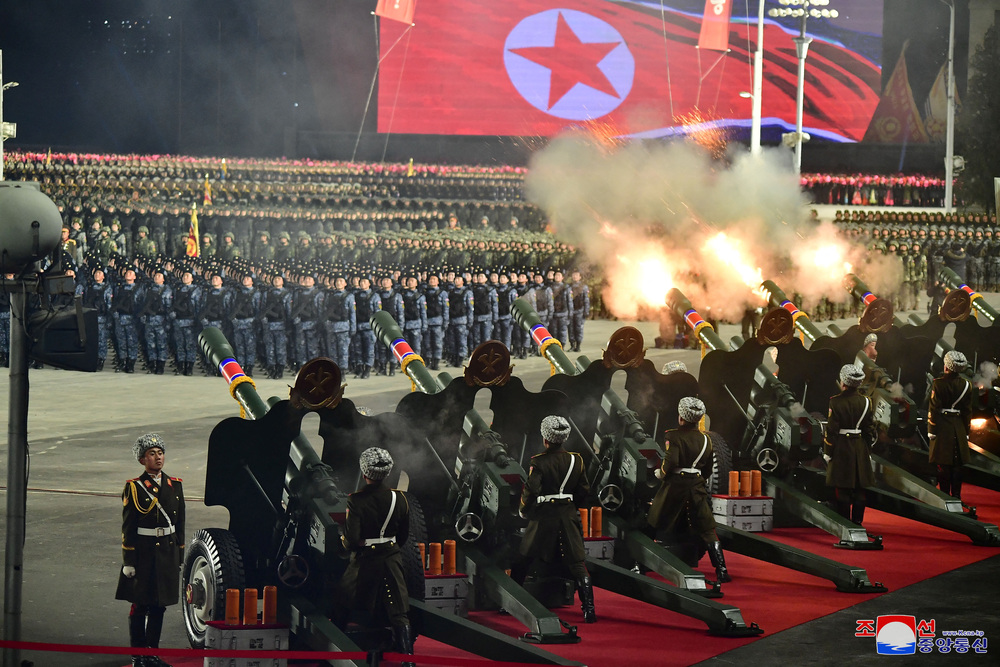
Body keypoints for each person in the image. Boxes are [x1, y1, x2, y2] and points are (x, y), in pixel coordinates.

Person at [511, 416, 596, 623]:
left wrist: (524, 510)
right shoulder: (577, 459)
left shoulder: (539, 461)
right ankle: (589, 609)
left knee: (523, 559)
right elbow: (584, 490)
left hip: (544, 517)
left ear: (546, 439)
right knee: (578, 564)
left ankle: (512, 603)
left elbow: (531, 489)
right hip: (567, 514)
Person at [115, 433, 185, 667]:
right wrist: (128, 561)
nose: (158, 458)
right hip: (143, 555)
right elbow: (128, 527)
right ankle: (138, 654)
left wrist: (179, 555)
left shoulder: (175, 485)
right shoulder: (134, 487)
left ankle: (151, 653)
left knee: (159, 605)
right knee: (140, 604)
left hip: (167, 552)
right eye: (152, 454)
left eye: (160, 453)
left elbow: (180, 524)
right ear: (142, 460)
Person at [340, 447, 414, 666]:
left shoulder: (356, 500)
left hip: (365, 561)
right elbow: (403, 536)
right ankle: (408, 659)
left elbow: (351, 540)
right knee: (399, 611)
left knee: (342, 602)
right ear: (387, 473)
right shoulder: (400, 499)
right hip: (391, 558)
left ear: (364, 474)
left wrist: (348, 544)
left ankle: (335, 653)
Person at [648, 397, 731, 583]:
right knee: (707, 529)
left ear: (681, 418)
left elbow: (671, 462)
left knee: (654, 518)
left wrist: (660, 474)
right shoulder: (706, 439)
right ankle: (722, 569)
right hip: (696, 485)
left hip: (675, 487)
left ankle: (640, 563)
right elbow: (708, 469)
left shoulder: (673, 436)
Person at [823, 364, 877, 534]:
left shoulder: (836, 401)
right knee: (860, 487)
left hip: (841, 447)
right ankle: (858, 522)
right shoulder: (866, 401)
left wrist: (827, 451)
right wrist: (867, 450)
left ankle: (846, 524)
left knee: (843, 487)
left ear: (844, 382)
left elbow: (831, 431)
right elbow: (869, 430)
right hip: (860, 446)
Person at [928, 350, 973, 504]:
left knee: (943, 463)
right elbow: (967, 411)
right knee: (957, 463)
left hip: (942, 426)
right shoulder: (967, 385)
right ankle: (957, 495)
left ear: (946, 367)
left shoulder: (938, 383)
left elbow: (933, 409)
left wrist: (931, 429)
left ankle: (945, 495)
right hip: (959, 426)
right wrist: (966, 431)